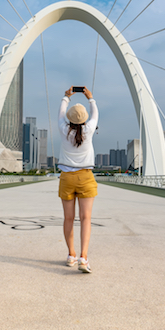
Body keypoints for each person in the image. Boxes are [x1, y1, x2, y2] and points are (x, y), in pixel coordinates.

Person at [58, 86, 98, 273]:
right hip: (85, 177)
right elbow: (95, 114)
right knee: (85, 218)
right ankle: (83, 256)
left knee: (68, 218)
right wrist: (90, 98)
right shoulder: (89, 129)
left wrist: (66, 97)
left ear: (69, 118)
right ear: (84, 119)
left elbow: (60, 114)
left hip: (67, 177)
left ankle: (71, 255)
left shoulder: (63, 129)